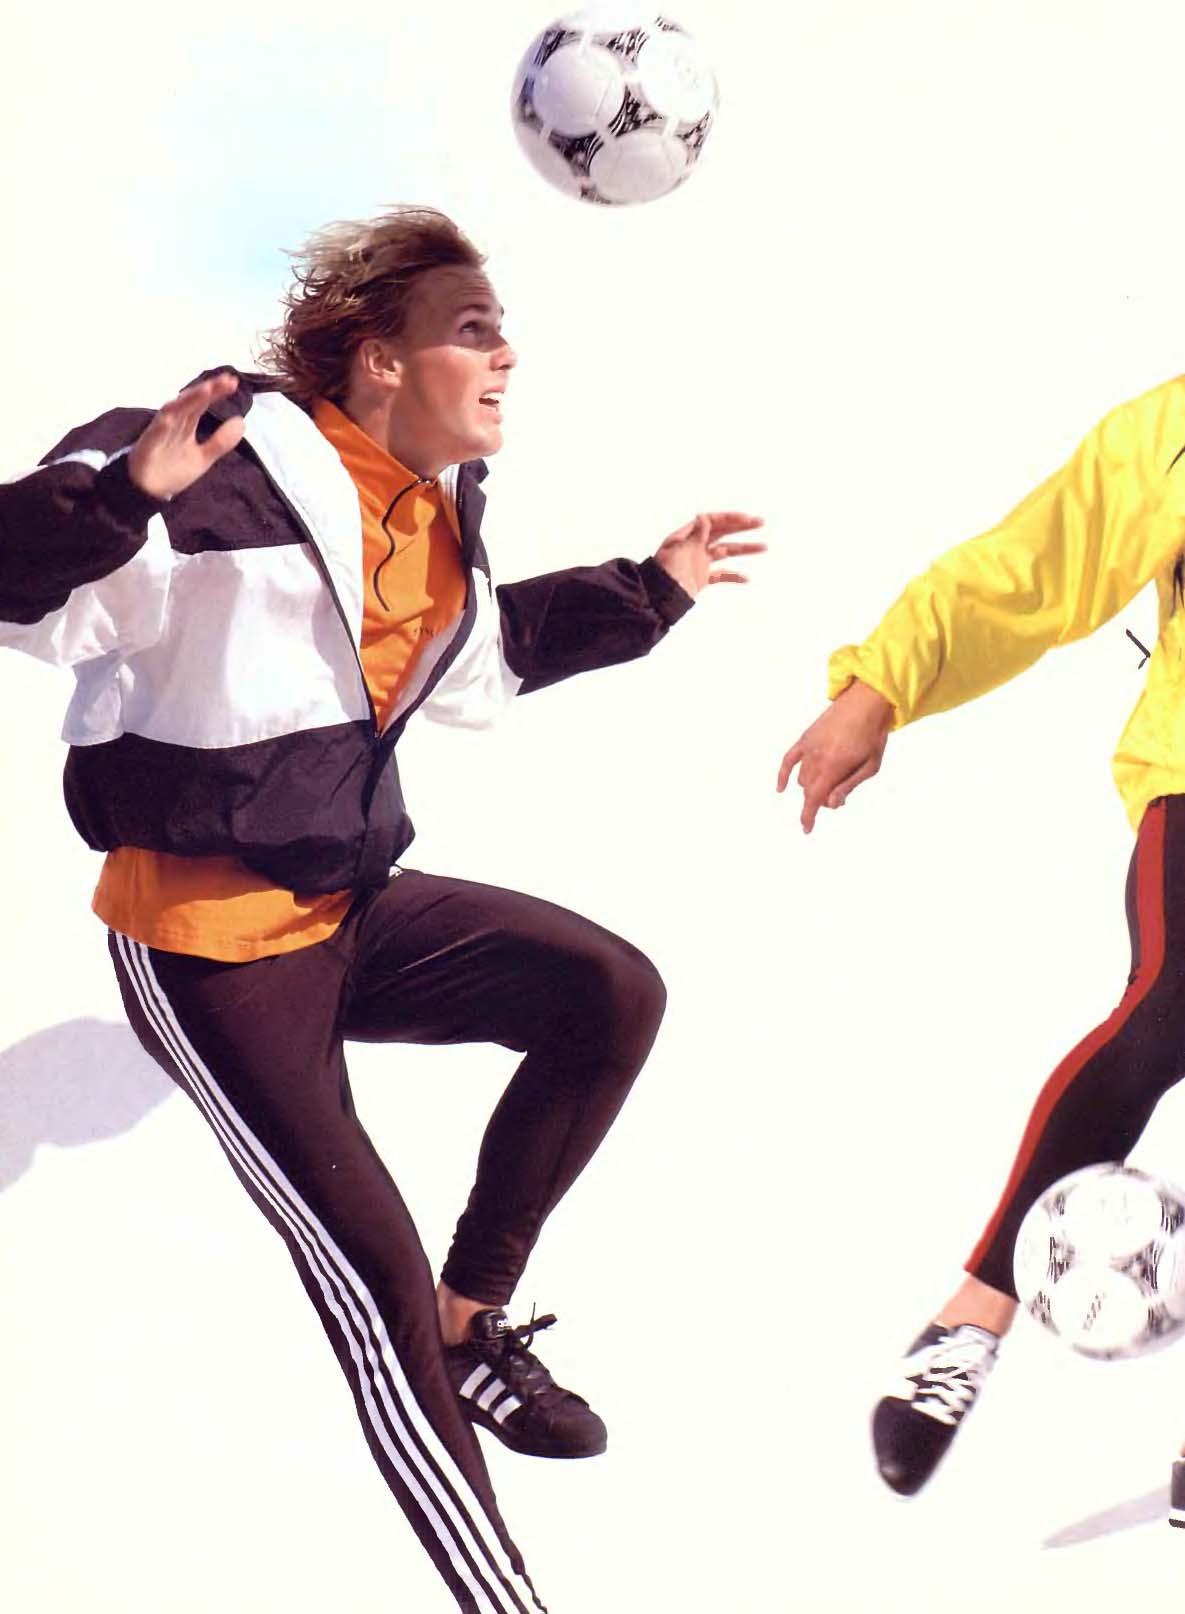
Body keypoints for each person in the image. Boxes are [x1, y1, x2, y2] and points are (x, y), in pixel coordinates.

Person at [0, 205, 764, 1613]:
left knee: (609, 994)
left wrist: (649, 592)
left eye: (503, 329)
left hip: (347, 904)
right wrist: (124, 498)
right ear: (379, 359)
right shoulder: (213, 462)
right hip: (209, 949)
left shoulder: (425, 512)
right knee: (375, 1297)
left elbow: (474, 664)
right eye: (474, 329)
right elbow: (16, 587)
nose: (507, 355)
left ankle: (476, 1324)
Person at [777, 373, 1185, 1517]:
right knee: (1173, 1004)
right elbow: (1031, 568)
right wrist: (881, 686)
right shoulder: (1173, 431)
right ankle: (973, 1317)